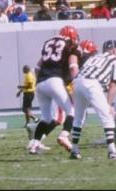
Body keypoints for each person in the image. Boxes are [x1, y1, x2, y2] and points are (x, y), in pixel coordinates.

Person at [68, 39, 116, 161]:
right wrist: (109, 105)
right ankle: (112, 151)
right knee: (107, 117)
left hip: (77, 82)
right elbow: (113, 86)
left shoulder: (93, 58)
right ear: (115, 50)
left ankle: (74, 150)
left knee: (78, 118)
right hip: (92, 84)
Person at [28, 25, 80, 155]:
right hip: (55, 81)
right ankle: (64, 135)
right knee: (72, 111)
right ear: (72, 37)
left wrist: (41, 80)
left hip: (40, 83)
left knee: (46, 118)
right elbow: (73, 67)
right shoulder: (70, 45)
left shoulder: (48, 42)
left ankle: (34, 145)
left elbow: (36, 68)